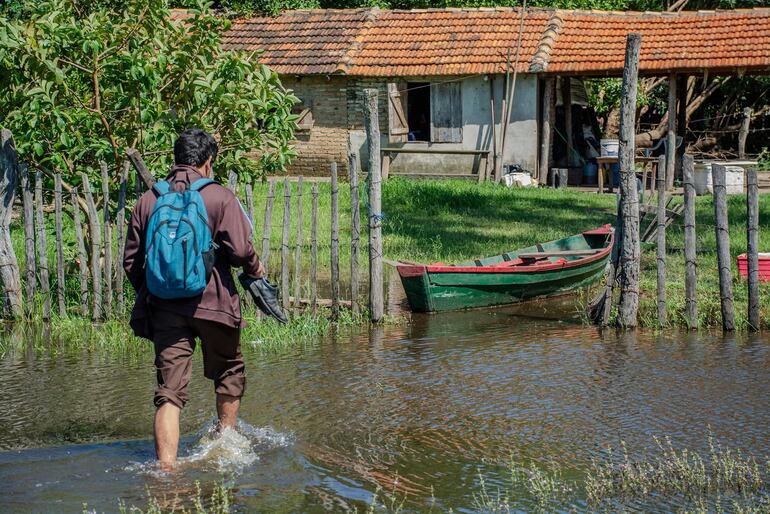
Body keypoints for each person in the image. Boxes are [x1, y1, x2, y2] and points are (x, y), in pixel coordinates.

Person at [123, 128, 264, 467]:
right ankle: (224, 446)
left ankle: (166, 470)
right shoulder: (219, 197)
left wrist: (156, 289)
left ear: (176, 159)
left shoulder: (149, 199)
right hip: (214, 303)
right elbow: (241, 250)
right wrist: (256, 271)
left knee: (169, 392)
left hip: (165, 309)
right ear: (207, 161)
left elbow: (131, 261)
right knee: (229, 372)